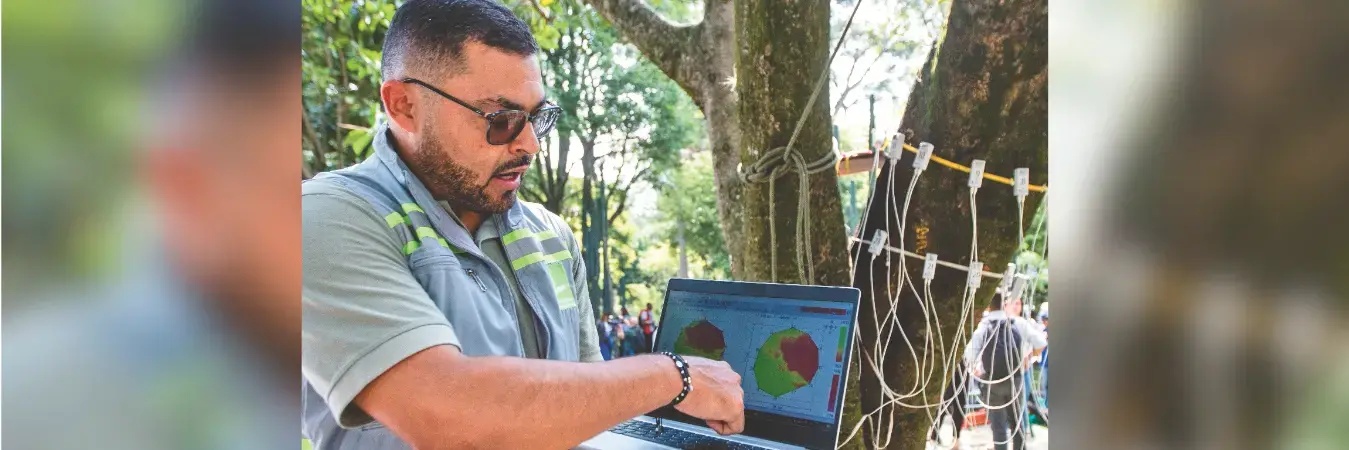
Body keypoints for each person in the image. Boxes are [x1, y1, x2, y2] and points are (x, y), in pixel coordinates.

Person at [300, 2, 745, 448]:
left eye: (537, 118)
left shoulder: (552, 236)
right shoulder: (324, 217)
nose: (529, 144)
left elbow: (590, 409)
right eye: (502, 120)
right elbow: (450, 417)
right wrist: (673, 375)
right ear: (404, 106)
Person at [964, 290, 1047, 450]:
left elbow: (969, 354)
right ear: (1005, 304)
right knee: (1017, 422)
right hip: (1016, 380)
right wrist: (1028, 358)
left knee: (999, 425)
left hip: (992, 381)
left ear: (989, 305)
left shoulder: (984, 325)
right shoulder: (1018, 322)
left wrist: (976, 370)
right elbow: (1041, 342)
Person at [929, 360, 969, 448]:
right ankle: (934, 435)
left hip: (960, 368)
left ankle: (955, 438)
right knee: (944, 405)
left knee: (958, 406)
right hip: (949, 367)